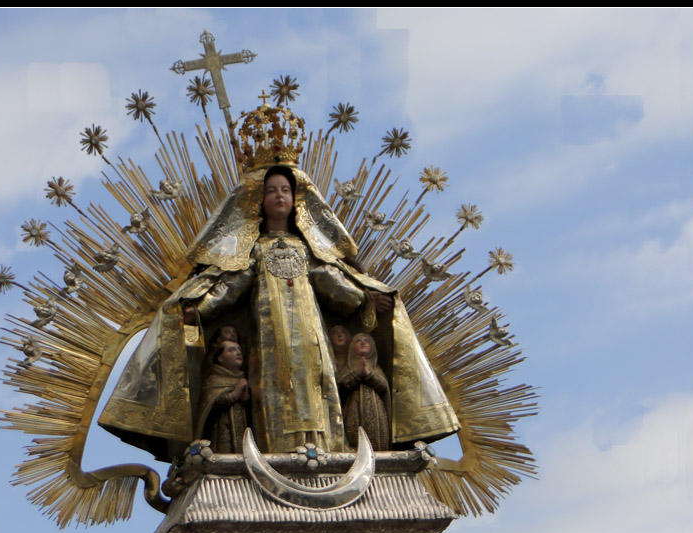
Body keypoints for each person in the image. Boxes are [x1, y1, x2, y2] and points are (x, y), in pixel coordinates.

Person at [99, 163, 460, 459]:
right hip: (270, 346)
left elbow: (335, 285)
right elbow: (229, 286)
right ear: (259, 200)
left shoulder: (308, 251)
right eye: (271, 190)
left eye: (285, 190)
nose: (279, 196)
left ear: (296, 199)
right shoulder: (254, 250)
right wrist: (201, 310)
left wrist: (366, 300)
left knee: (317, 391)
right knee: (272, 392)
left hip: (312, 344)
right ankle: (276, 452)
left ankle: (325, 452)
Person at [338, 333, 390, 451]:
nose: (363, 342)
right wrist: (356, 374)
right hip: (353, 411)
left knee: (378, 439)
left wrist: (368, 374)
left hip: (376, 413)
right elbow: (341, 386)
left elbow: (383, 387)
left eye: (367, 340)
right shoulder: (348, 367)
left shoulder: (375, 367)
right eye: (358, 341)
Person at [197, 340, 249, 453]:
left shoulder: (243, 378)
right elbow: (211, 404)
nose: (238, 352)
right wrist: (234, 395)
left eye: (239, 350)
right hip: (220, 433)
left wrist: (245, 398)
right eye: (231, 350)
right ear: (220, 358)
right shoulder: (214, 380)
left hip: (242, 430)